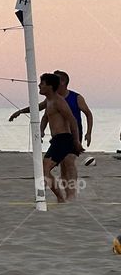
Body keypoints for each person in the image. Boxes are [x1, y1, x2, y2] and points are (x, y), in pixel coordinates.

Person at [10, 69, 95, 165]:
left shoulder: (76, 97)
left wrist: (89, 133)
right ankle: (66, 180)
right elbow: (42, 111)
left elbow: (88, 114)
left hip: (74, 133)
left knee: (69, 161)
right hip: (59, 136)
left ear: (62, 82)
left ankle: (71, 180)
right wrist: (21, 112)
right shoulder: (51, 98)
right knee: (63, 163)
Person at [38, 72, 82, 203]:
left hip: (64, 138)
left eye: (42, 83)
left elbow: (73, 120)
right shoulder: (49, 101)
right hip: (56, 140)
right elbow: (43, 116)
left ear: (50, 86)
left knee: (50, 167)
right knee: (45, 168)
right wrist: (19, 112)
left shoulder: (59, 101)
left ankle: (64, 197)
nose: (39, 85)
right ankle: (61, 197)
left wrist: (76, 141)